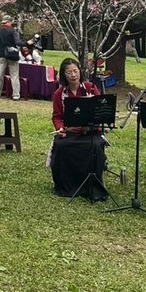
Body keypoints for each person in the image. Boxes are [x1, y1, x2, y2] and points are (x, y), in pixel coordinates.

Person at [49, 58, 109, 201]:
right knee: (61, 146)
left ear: (80, 72)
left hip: (90, 132)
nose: (73, 75)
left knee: (95, 146)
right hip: (70, 133)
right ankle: (66, 186)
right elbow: (57, 116)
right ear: (64, 75)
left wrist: (94, 124)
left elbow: (102, 111)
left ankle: (93, 186)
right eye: (69, 72)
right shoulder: (59, 93)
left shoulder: (91, 88)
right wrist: (60, 128)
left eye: (75, 71)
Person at [0, 17, 21, 101]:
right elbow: (17, 42)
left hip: (1, 55)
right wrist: (26, 44)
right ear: (9, 21)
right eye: (11, 21)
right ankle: (16, 95)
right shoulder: (12, 31)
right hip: (12, 55)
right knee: (14, 75)